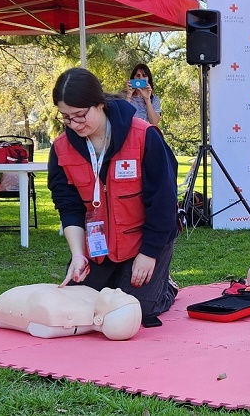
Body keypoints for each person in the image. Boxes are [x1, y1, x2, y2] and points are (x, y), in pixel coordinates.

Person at [48, 67, 180, 328]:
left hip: (144, 241)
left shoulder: (144, 135)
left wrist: (150, 253)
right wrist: (77, 254)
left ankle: (165, 287)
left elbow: (163, 201)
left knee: (132, 310)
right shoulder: (61, 148)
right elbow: (68, 205)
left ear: (100, 104)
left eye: (80, 115)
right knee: (80, 305)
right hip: (98, 246)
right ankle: (115, 277)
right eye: (66, 118)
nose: (74, 124)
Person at [0, 284, 142, 341]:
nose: (119, 290)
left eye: (116, 297)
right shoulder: (93, 294)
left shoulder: (55, 310)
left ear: (99, 320)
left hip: (8, 301)